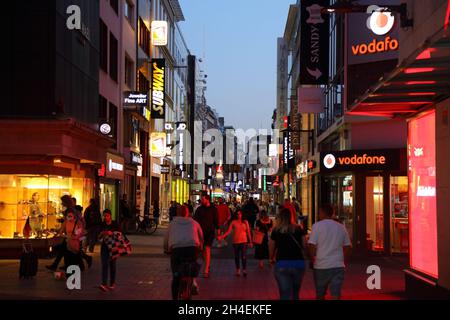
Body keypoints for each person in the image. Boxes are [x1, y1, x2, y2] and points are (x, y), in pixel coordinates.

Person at [308, 205, 352, 300]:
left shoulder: (317, 226)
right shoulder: (341, 227)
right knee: (335, 294)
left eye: (319, 212)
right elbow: (348, 246)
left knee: (320, 293)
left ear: (323, 213)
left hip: (321, 265)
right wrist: (343, 259)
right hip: (337, 265)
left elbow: (311, 245)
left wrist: (312, 258)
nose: (318, 214)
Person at [164, 205, 204, 300]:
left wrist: (166, 249)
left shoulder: (172, 224)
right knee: (191, 268)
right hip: (192, 249)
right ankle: (192, 282)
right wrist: (201, 247)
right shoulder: (194, 223)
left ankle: (175, 297)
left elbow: (166, 239)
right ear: (187, 213)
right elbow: (201, 237)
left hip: (177, 251)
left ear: (177, 213)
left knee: (176, 276)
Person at [269, 208, 307, 300]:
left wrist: (271, 258)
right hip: (298, 263)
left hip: (282, 263)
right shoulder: (298, 229)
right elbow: (304, 245)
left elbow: (271, 247)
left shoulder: (276, 231)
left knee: (284, 293)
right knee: (295, 293)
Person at [219, 210, 252, 277]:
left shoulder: (245, 222)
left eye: (240, 214)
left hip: (244, 241)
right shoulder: (233, 222)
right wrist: (222, 236)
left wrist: (250, 241)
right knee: (237, 256)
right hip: (236, 241)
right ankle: (238, 270)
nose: (238, 215)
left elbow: (248, 232)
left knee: (244, 256)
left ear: (242, 214)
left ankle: (244, 270)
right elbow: (228, 231)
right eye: (237, 214)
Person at [193, 193, 219, 278]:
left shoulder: (213, 209)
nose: (201, 200)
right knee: (203, 250)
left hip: (209, 232)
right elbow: (195, 220)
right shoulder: (199, 209)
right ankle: (207, 264)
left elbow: (216, 220)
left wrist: (218, 230)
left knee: (207, 248)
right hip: (200, 232)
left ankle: (206, 270)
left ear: (207, 199)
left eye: (203, 199)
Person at [98, 209, 122, 292]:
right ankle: (104, 283)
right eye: (104, 216)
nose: (106, 217)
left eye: (107, 216)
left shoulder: (115, 224)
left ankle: (112, 283)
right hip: (104, 246)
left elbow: (120, 234)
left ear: (110, 216)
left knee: (112, 265)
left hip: (113, 247)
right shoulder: (102, 224)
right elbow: (99, 236)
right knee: (104, 264)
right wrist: (102, 234)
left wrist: (111, 233)